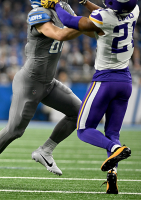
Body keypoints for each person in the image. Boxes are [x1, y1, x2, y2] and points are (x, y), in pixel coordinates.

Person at [0, 0, 88, 189]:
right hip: (29, 83)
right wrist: (89, 22)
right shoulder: (38, 13)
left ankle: (46, 150)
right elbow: (59, 34)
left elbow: (85, 29)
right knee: (15, 130)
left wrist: (93, 23)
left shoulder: (63, 9)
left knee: (78, 112)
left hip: (48, 82)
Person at [52, 0, 139, 194]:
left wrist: (56, 4)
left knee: (83, 129)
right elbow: (109, 13)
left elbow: (69, 20)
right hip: (125, 81)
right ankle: (112, 177)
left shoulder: (103, 18)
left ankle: (115, 149)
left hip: (104, 81)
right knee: (113, 134)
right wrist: (86, 3)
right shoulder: (134, 11)